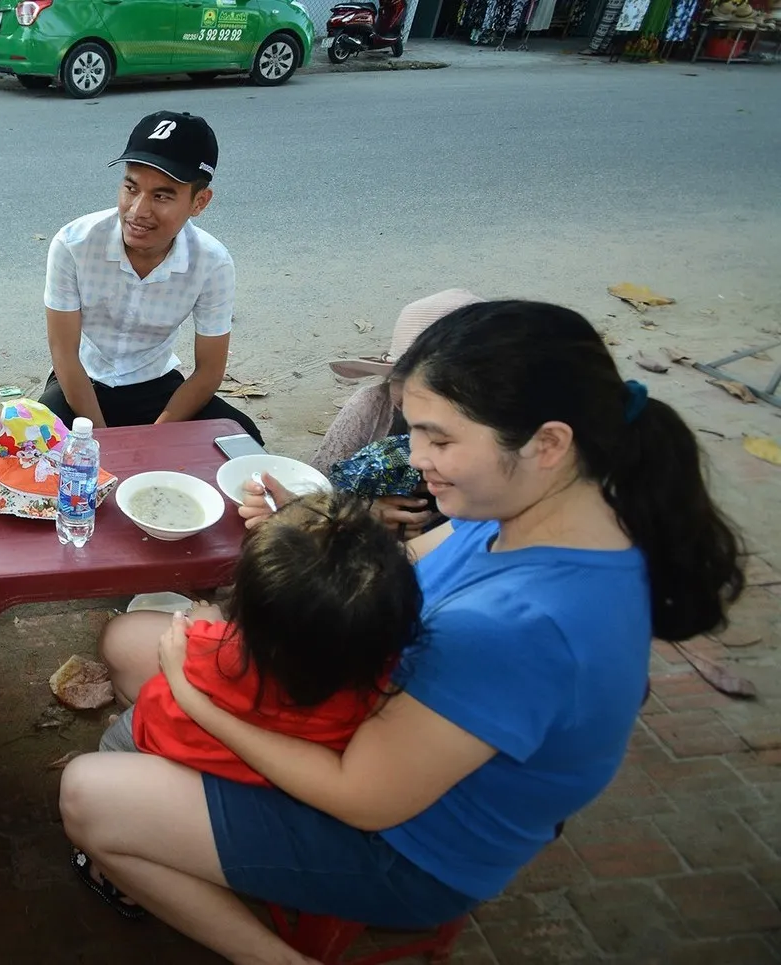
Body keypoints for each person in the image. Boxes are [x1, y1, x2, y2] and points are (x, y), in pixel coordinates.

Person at [58, 301, 743, 963]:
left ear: (549, 443)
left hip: (408, 841)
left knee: (88, 793)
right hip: (374, 716)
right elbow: (398, 571)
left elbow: (364, 794)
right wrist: (311, 536)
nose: (418, 458)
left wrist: (197, 696)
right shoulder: (519, 504)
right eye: (415, 430)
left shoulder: (523, 629)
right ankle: (186, 814)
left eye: (440, 438)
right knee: (129, 644)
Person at [81, 492, 420, 918]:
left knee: (115, 745)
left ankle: (124, 880)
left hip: (173, 740)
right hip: (260, 776)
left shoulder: (212, 651)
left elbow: (189, 641)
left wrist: (208, 621)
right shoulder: (373, 670)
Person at [39, 110, 262, 444]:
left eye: (162, 195)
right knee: (34, 450)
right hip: (81, 383)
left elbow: (209, 371)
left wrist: (150, 441)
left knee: (244, 440)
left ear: (199, 202)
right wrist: (104, 440)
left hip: (156, 386)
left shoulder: (212, 263)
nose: (138, 211)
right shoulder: (74, 244)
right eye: (131, 187)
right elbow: (64, 352)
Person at [311, 288, 485, 541]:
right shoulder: (372, 406)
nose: (409, 398)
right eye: (400, 379)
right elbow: (317, 488)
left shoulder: (493, 432)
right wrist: (363, 513)